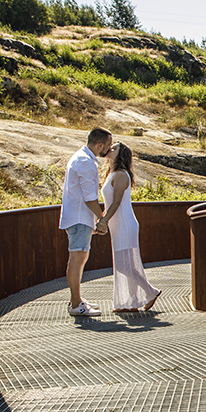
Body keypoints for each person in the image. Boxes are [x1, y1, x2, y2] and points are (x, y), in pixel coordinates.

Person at [97, 142, 161, 313]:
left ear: (121, 155)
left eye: (114, 148)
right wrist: (102, 219)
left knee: (124, 264)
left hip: (124, 223)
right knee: (124, 263)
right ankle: (131, 302)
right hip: (117, 223)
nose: (110, 148)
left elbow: (117, 202)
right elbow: (109, 202)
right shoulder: (111, 174)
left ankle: (149, 292)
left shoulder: (121, 175)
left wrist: (104, 220)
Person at [59, 127, 113, 316]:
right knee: (77, 259)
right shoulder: (85, 162)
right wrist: (102, 219)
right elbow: (90, 198)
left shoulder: (80, 157)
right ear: (100, 145)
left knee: (79, 258)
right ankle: (75, 305)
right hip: (79, 218)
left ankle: (77, 300)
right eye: (108, 145)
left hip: (78, 217)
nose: (109, 149)